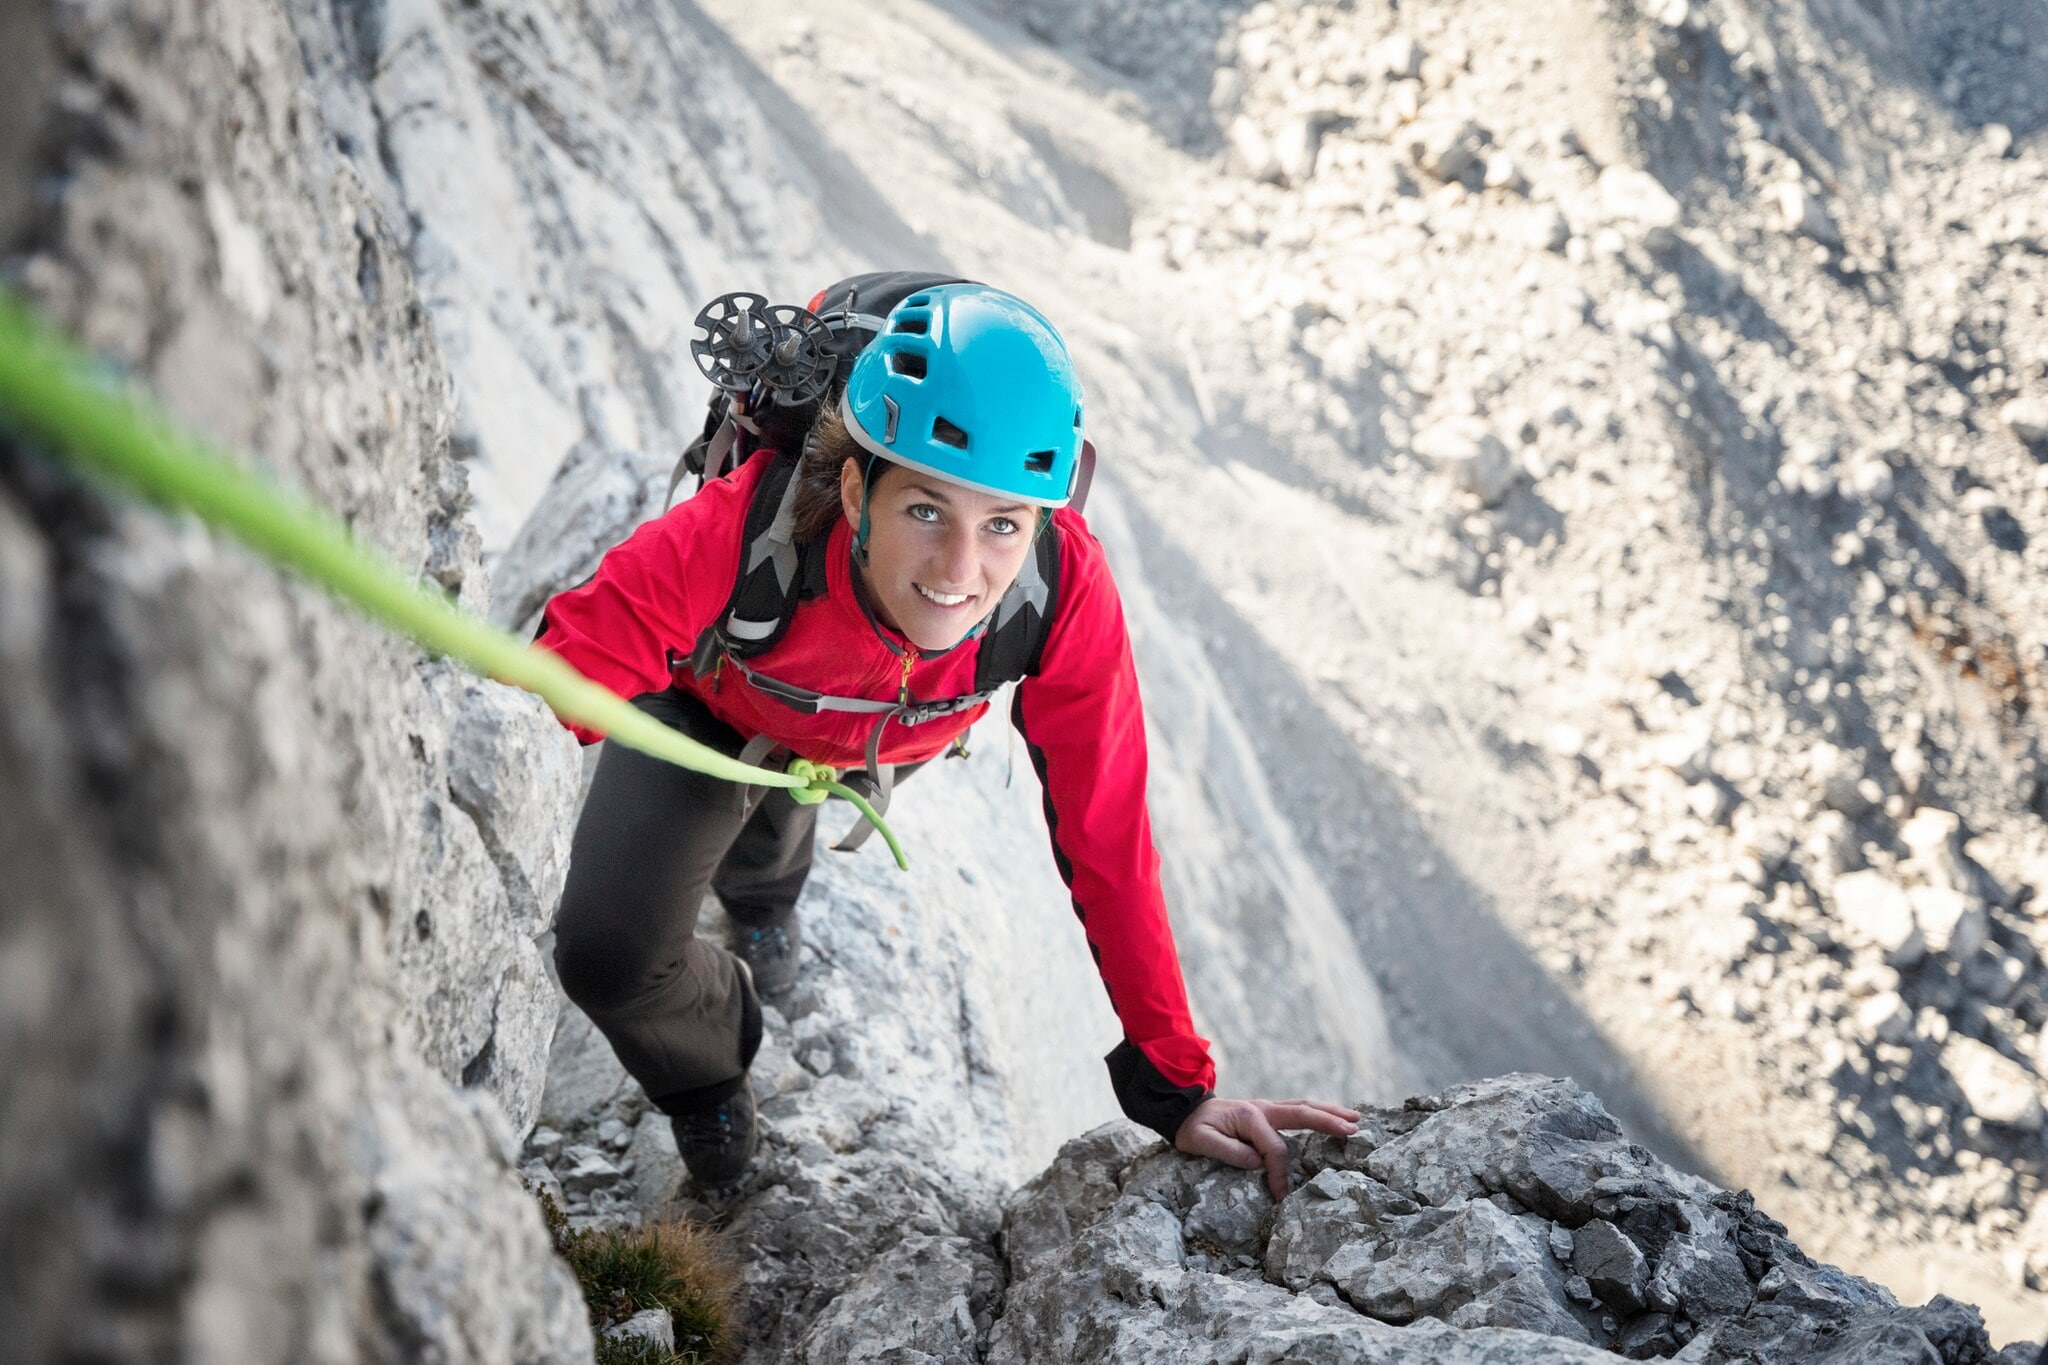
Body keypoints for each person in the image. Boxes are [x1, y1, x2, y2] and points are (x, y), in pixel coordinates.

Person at [536, 278, 1359, 1192]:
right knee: (609, 957)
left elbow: (1108, 832)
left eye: (1002, 524)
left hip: (866, 729)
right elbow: (550, 679)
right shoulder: (742, 533)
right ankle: (709, 1063)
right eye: (926, 510)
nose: (963, 573)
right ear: (854, 491)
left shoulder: (1061, 590)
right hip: (711, 706)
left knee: (772, 848)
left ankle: (765, 908)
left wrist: (1177, 1084)